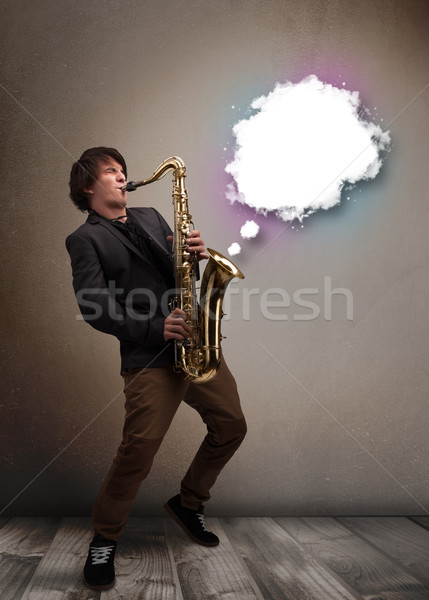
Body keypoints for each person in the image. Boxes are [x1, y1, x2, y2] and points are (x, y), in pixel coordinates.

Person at [65, 147, 247, 591]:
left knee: (231, 426)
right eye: (111, 172)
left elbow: (177, 272)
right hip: (149, 355)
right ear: (89, 186)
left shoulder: (150, 216)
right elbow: (95, 307)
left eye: (123, 171)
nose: (123, 177)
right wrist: (154, 327)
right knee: (138, 452)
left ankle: (189, 503)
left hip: (195, 344)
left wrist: (197, 254)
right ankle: (104, 539)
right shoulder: (84, 240)